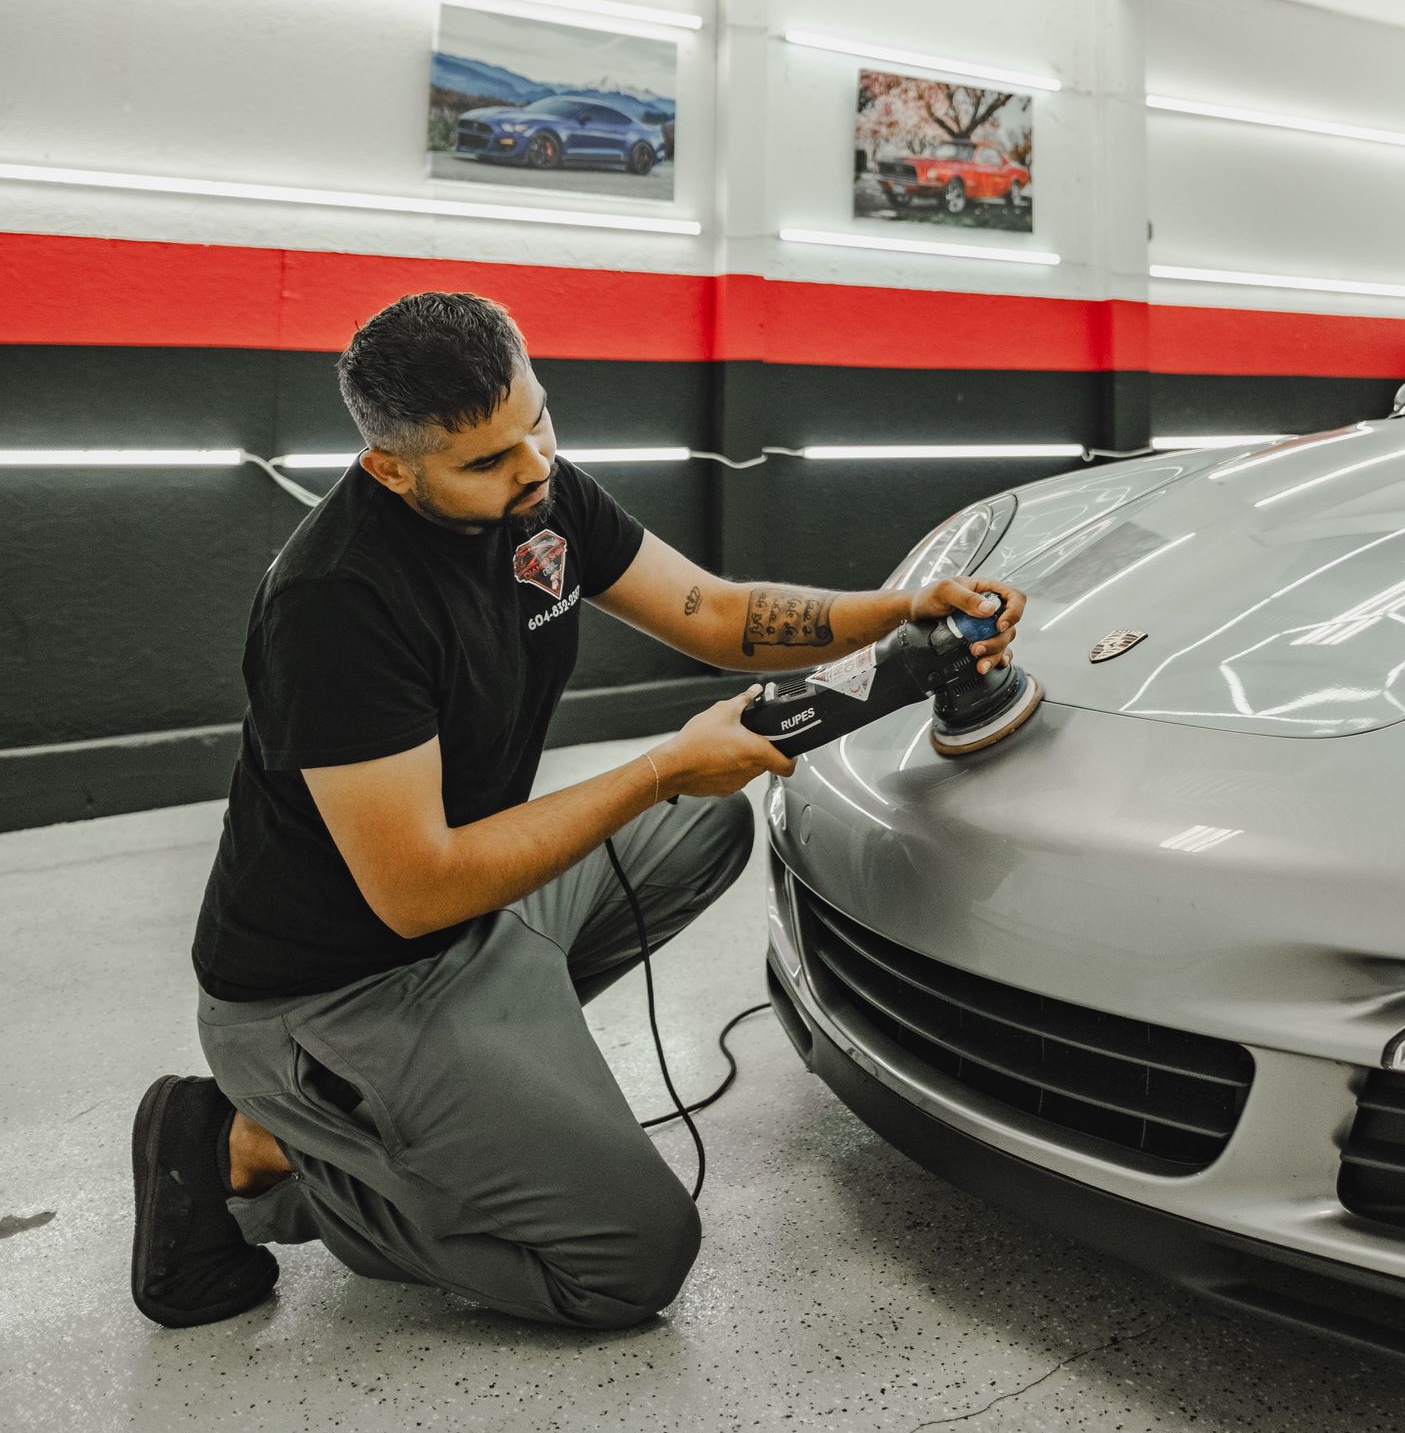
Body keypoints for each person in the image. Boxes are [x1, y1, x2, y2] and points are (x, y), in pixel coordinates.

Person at [130, 290, 1026, 1333]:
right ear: (392, 468)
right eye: (487, 460)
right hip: (336, 992)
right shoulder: (336, 602)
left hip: (473, 921)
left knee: (704, 827)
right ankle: (252, 1149)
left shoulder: (537, 492)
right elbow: (416, 892)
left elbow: (716, 613)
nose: (534, 466)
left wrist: (896, 612)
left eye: (539, 421)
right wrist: (660, 768)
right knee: (628, 1262)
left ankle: (474, 1077)